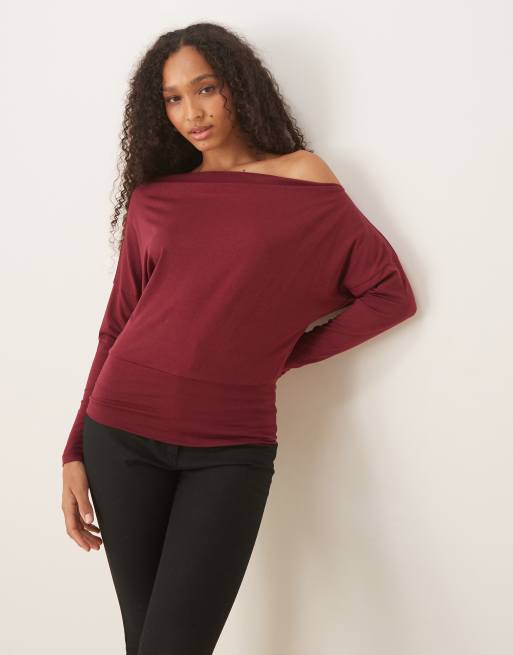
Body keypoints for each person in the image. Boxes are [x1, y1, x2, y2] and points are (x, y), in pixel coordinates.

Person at [60, 22, 417, 655]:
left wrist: (281, 356)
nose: (192, 113)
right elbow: (117, 325)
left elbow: (389, 292)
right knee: (146, 641)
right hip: (120, 434)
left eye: (206, 89)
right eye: (173, 98)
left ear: (238, 87)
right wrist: (74, 448)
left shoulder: (302, 177)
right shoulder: (154, 200)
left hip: (230, 447)